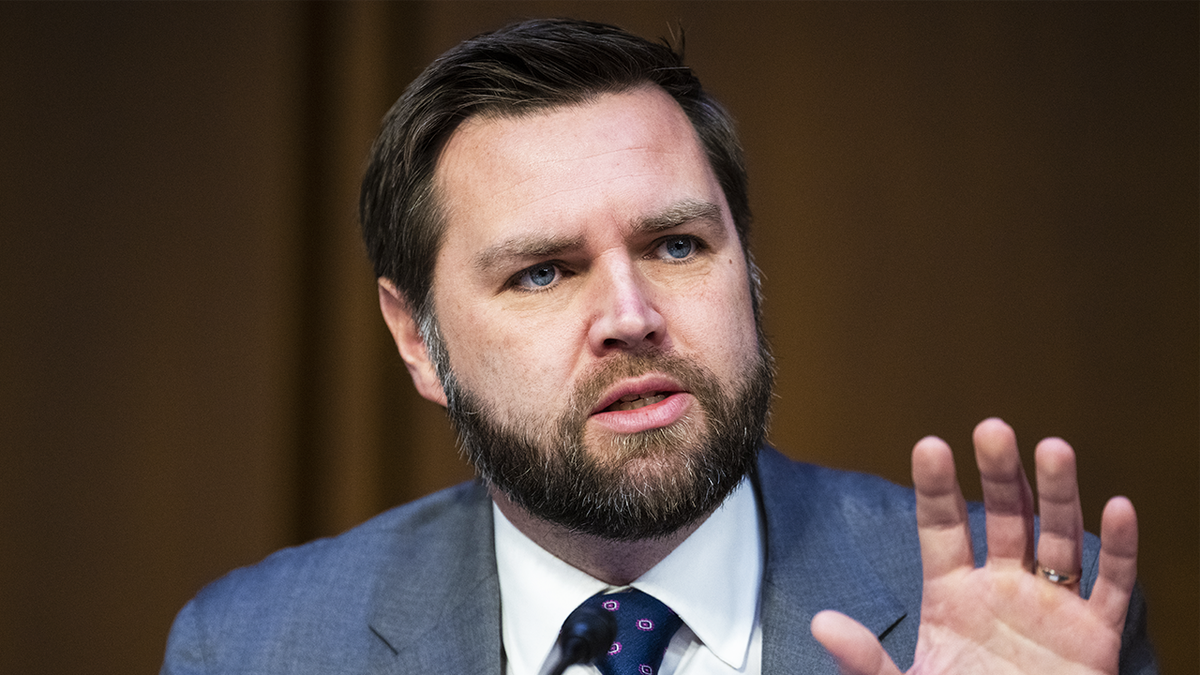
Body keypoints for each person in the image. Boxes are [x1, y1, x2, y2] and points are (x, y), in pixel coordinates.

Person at [161, 18, 1155, 675]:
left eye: (677, 244)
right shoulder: (253, 648)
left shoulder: (1025, 612)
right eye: (542, 272)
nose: (631, 314)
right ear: (417, 341)